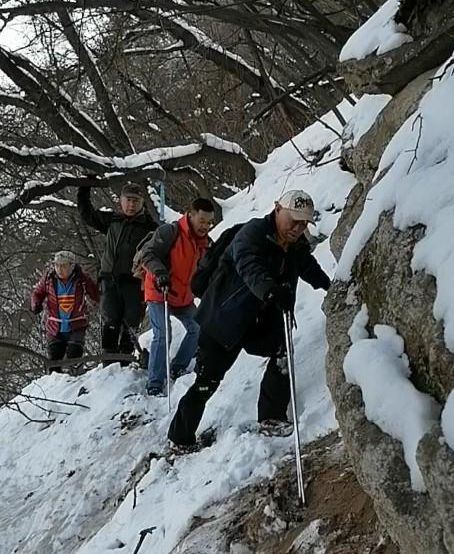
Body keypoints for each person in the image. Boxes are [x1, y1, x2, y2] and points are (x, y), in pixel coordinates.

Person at [167, 190, 331, 450]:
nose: (298, 228)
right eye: (294, 220)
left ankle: (271, 416)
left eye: (304, 223)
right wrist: (270, 290)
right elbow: (249, 265)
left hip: (260, 321)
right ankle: (179, 438)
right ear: (278, 209)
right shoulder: (252, 233)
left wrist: (330, 286)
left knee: (281, 353)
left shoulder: (295, 245)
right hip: (223, 321)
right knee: (206, 383)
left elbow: (307, 266)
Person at [140, 197, 214, 396]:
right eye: (202, 221)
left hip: (183, 296)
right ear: (190, 215)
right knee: (163, 333)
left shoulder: (206, 244)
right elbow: (147, 254)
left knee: (197, 327)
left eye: (209, 222)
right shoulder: (170, 232)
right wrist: (160, 273)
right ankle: (155, 382)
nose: (205, 226)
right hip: (159, 290)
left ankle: (177, 366)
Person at [77, 181, 155, 363]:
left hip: (135, 282)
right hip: (110, 279)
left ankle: (126, 359)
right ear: (121, 201)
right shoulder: (113, 220)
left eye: (135, 201)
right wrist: (85, 186)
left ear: (142, 202)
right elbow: (87, 214)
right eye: (128, 200)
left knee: (131, 321)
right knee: (110, 320)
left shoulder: (149, 226)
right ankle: (108, 361)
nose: (131, 204)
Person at [31, 250, 98, 373]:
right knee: (54, 362)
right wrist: (36, 304)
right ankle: (54, 388)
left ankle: (77, 383)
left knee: (74, 356)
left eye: (63, 265)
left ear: (72, 266)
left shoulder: (81, 279)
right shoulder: (48, 279)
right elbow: (37, 292)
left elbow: (95, 293)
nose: (59, 269)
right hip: (54, 326)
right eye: (56, 265)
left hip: (76, 325)